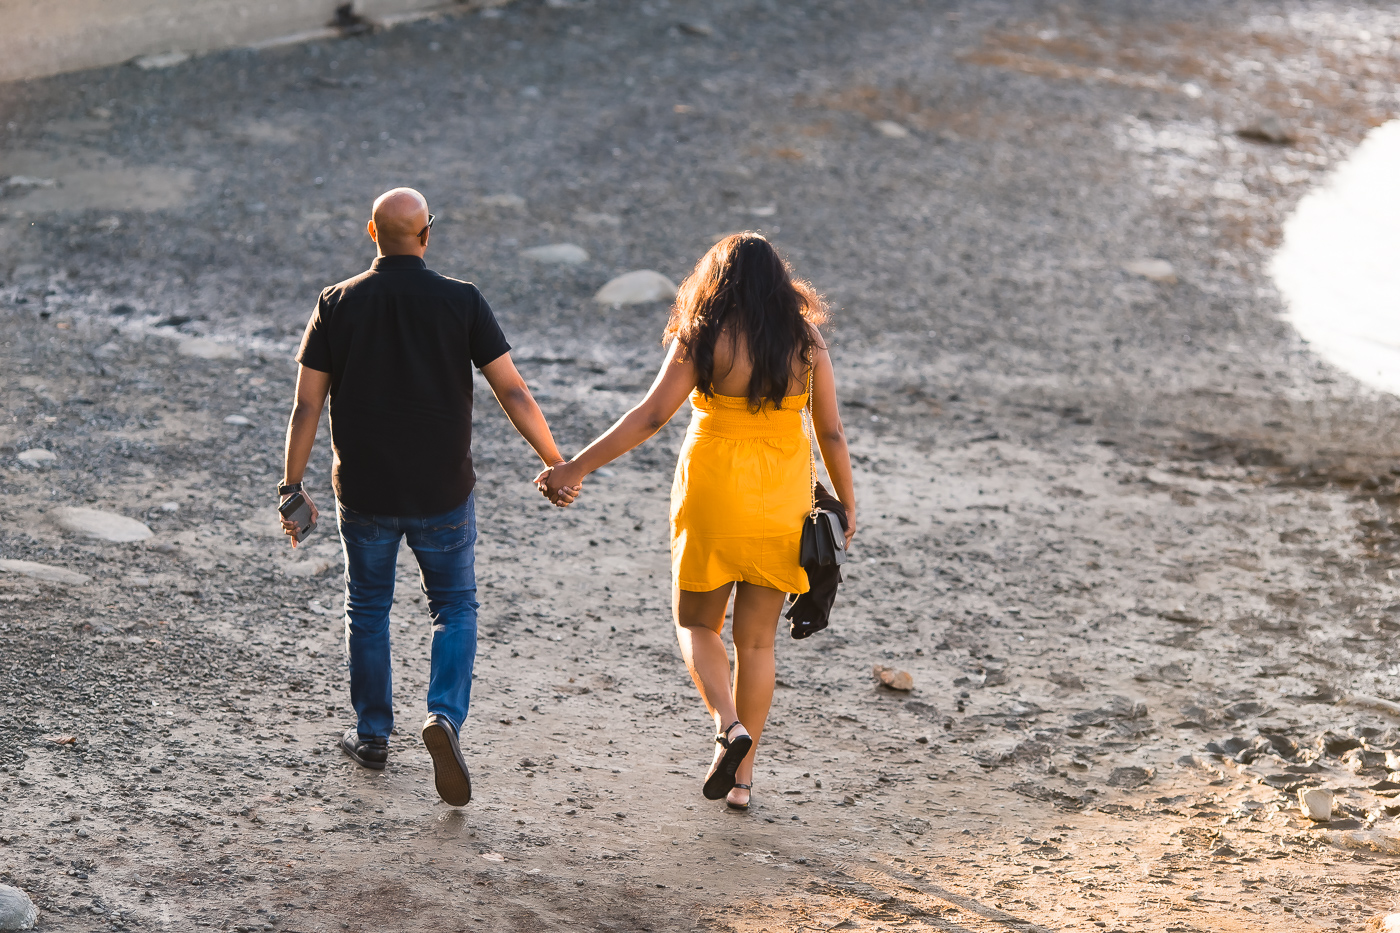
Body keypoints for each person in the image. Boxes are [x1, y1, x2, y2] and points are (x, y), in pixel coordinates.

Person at [279, 187, 575, 807]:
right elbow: (513, 392)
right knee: (455, 606)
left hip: (363, 491)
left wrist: (292, 485)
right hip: (443, 490)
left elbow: (308, 403)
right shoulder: (461, 301)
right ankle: (444, 717)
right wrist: (555, 461)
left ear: (371, 232)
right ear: (426, 235)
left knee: (368, 608)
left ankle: (373, 736)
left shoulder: (336, 303)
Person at [539, 233, 856, 811]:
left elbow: (652, 414)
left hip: (713, 490)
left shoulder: (704, 334)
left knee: (697, 625)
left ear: (715, 281)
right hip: (782, 495)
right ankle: (743, 781)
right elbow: (831, 430)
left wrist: (575, 466)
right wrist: (846, 501)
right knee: (757, 643)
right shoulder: (805, 341)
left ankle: (727, 727)